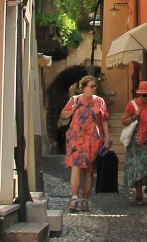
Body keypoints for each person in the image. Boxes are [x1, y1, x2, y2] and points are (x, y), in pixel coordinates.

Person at [59, 75, 109, 212]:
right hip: (76, 139)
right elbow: (63, 114)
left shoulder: (100, 101)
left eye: (95, 86)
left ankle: (85, 200)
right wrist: (72, 109)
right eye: (91, 86)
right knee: (76, 167)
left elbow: (104, 120)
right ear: (83, 87)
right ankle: (74, 198)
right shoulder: (75, 100)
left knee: (89, 171)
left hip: (93, 140)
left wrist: (107, 139)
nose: (94, 88)